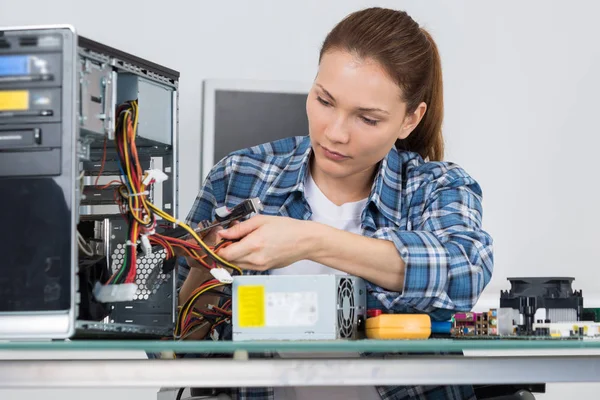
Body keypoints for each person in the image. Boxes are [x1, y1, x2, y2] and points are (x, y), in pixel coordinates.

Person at [177, 6, 494, 400]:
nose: (335, 133)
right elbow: (176, 340)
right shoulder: (240, 175)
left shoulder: (435, 187)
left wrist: (311, 242)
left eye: (368, 118)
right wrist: (203, 267)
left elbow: (464, 272)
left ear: (410, 120)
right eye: (325, 101)